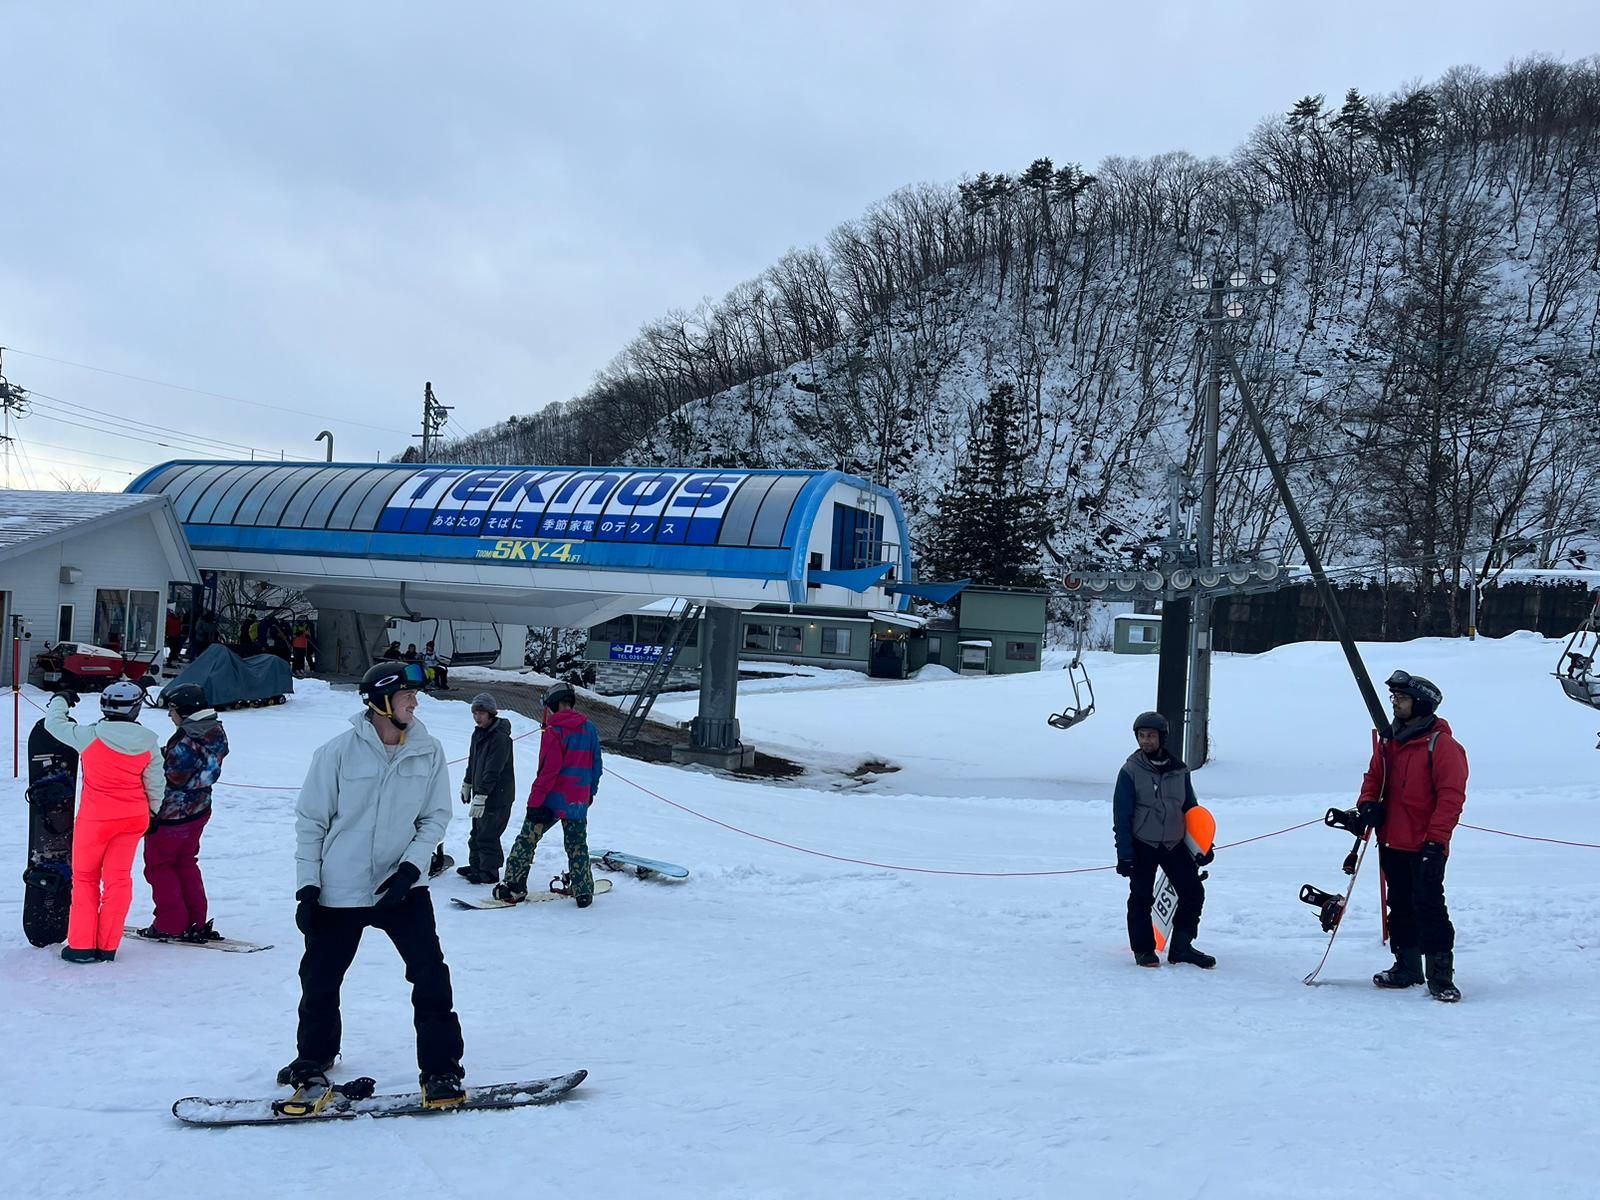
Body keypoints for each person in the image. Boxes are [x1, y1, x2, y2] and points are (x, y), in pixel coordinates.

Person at [282, 659, 466, 1106]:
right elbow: (311, 823)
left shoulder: (428, 750)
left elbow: (434, 817)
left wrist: (410, 869)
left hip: (402, 890)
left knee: (430, 976)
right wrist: (308, 887)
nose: (415, 703)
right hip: (338, 888)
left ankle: (441, 1069)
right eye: (407, 696)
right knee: (320, 980)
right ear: (383, 701)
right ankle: (314, 1060)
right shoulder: (337, 753)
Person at [1358, 670, 1468, 1003]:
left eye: (1401, 699)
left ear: (1420, 703)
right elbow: (1374, 777)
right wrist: (1366, 805)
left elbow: (1451, 797)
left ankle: (1440, 975)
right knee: (1400, 906)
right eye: (1394, 699)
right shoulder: (1391, 742)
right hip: (1391, 840)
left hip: (1425, 844)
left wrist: (1437, 841)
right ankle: (1406, 966)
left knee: (1430, 906)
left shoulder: (1443, 746)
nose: (1395, 704)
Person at [44, 681, 164, 963]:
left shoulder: (88, 736)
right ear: (135, 709)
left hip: (96, 819)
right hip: (133, 817)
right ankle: (108, 946)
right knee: (118, 880)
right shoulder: (148, 741)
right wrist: (154, 813)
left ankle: (82, 946)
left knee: (85, 879)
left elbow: (54, 724)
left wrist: (61, 698)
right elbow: (155, 781)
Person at [1112, 711, 1215, 969]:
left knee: (1193, 892)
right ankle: (1144, 950)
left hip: (1174, 843)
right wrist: (1124, 854)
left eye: (1151, 736)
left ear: (1162, 738)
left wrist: (1202, 847)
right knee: (1141, 898)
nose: (1146, 741)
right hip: (1142, 844)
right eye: (1141, 736)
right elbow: (1121, 816)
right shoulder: (1130, 771)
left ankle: (1181, 947)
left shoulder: (1180, 771)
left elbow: (1191, 810)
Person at [493, 682, 602, 907]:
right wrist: (590, 792)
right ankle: (583, 890)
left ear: (552, 703)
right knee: (577, 845)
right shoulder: (590, 727)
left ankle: (513, 885)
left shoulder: (554, 730)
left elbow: (548, 770)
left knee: (527, 839)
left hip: (551, 799)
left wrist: (535, 802)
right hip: (578, 799)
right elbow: (597, 765)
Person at [136, 683, 229, 943]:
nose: (169, 715)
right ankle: (196, 920)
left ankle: (171, 924)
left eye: (173, 709)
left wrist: (155, 763)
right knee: (185, 862)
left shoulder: (187, 738)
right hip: (199, 809)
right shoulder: (215, 730)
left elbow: (175, 776)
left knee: (159, 866)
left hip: (172, 816)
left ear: (185, 711)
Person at [457, 693, 515, 884]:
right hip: (481, 793)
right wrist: (467, 783)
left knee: (488, 834)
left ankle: (489, 872)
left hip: (497, 796)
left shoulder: (500, 738)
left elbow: (493, 770)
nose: (478, 717)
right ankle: (476, 866)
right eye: (475, 712)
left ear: (491, 713)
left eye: (482, 713)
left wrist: (481, 795)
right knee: (476, 832)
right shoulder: (479, 733)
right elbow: (473, 761)